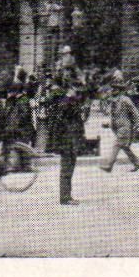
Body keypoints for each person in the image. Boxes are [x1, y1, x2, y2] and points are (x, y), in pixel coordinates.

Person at [47, 74, 88, 205]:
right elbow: (63, 112)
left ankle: (66, 196)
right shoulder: (65, 101)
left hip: (71, 140)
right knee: (66, 169)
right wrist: (69, 97)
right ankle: (65, 197)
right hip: (67, 141)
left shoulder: (70, 101)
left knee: (69, 168)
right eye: (76, 88)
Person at [100, 80, 139, 173]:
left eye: (115, 88)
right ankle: (137, 163)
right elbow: (113, 115)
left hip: (124, 128)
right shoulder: (113, 100)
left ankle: (108, 165)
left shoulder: (125, 99)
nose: (112, 90)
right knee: (124, 146)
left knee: (116, 145)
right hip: (117, 128)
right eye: (112, 88)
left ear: (119, 90)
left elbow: (134, 111)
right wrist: (108, 124)